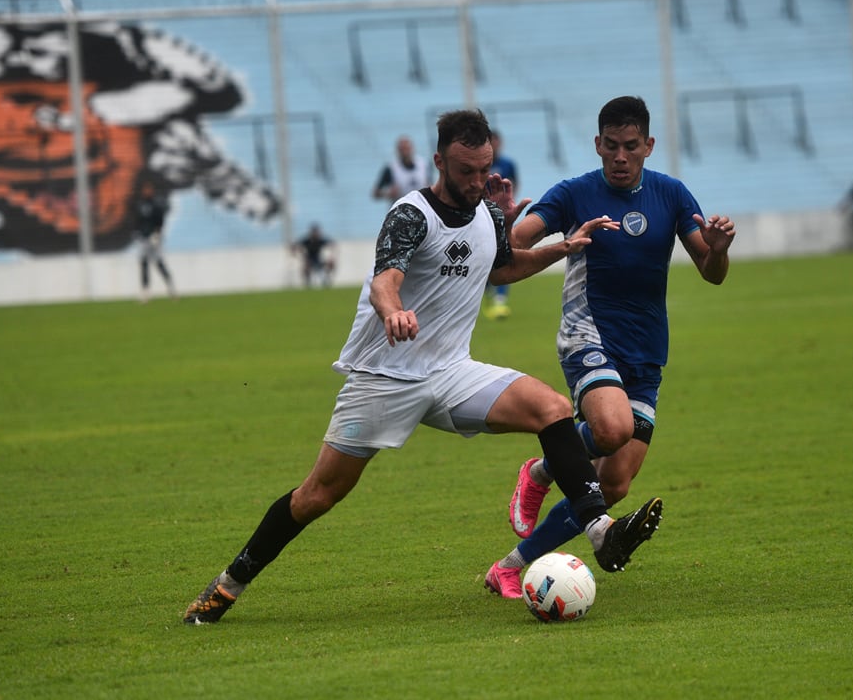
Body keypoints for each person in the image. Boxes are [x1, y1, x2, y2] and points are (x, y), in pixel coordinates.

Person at [183, 108, 664, 625]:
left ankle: (601, 532)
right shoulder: (411, 214)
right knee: (317, 495)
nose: (478, 181)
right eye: (465, 172)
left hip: (452, 372)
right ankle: (228, 585)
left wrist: (560, 249)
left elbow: (501, 267)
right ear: (439, 162)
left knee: (549, 408)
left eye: (484, 170)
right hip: (384, 377)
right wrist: (392, 311)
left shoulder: (487, 210)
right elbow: (384, 280)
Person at [483, 96, 735, 600]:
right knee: (612, 428)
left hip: (647, 353)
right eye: (612, 146)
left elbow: (711, 273)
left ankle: (510, 566)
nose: (621, 157)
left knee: (614, 484)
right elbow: (512, 247)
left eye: (631, 147)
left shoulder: (671, 194)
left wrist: (719, 249)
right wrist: (501, 223)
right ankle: (547, 467)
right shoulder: (575, 194)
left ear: (648, 146)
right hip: (588, 337)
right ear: (598, 145)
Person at [484, 130, 519, 320]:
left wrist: (508, 203)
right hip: (481, 216)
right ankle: (490, 287)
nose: (495, 145)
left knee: (504, 255)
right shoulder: (481, 165)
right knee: (484, 257)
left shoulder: (508, 164)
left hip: (500, 217)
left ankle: (500, 301)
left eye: (497, 142)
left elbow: (515, 182)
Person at [135, 178, 176, 303]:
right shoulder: (140, 204)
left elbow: (160, 221)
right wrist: (138, 233)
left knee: (158, 262)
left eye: (148, 189)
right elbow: (138, 222)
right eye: (145, 189)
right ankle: (145, 291)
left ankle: (170, 286)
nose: (146, 191)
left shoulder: (156, 204)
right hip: (144, 238)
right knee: (143, 262)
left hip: (154, 237)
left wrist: (157, 234)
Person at [372, 135, 429, 204]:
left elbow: (430, 184)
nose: (405, 152)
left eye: (407, 149)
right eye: (402, 149)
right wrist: (388, 193)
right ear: (398, 151)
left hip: (421, 208)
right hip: (400, 210)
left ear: (412, 149)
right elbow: (375, 193)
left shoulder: (424, 165)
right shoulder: (391, 168)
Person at [291, 223, 335, 287]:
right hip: (309, 260)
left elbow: (332, 244)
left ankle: (326, 279)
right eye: (314, 232)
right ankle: (308, 282)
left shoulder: (321, 240)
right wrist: (299, 256)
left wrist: (331, 256)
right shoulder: (306, 240)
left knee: (331, 263)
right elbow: (294, 246)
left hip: (318, 260)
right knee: (306, 266)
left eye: (317, 232)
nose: (316, 233)